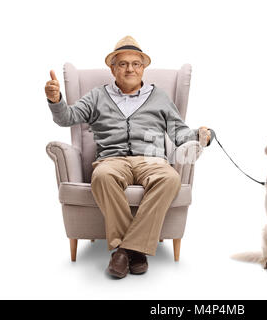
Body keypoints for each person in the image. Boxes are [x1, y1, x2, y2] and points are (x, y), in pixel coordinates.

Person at [45, 36, 214, 279]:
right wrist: (55, 100)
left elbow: (179, 133)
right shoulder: (96, 96)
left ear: (143, 68)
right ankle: (137, 252)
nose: (130, 69)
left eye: (136, 63)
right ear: (112, 68)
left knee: (170, 179)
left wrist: (200, 135)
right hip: (111, 160)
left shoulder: (160, 97)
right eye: (123, 64)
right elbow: (67, 118)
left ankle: (124, 250)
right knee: (102, 177)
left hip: (152, 160)